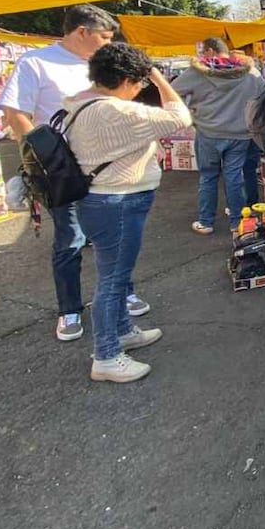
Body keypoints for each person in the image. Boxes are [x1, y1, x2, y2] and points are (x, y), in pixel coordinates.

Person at [0, 4, 151, 343]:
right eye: (104, 37)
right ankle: (69, 309)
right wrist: (42, 158)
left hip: (107, 168)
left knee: (115, 236)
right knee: (70, 239)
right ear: (82, 31)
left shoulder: (103, 63)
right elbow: (16, 112)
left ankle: (123, 293)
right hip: (63, 170)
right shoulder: (35, 62)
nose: (109, 43)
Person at [64, 43, 192, 382]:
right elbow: (180, 117)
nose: (140, 90)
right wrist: (159, 78)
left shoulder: (81, 102)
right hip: (116, 201)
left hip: (103, 200)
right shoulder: (114, 110)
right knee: (113, 279)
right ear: (125, 80)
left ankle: (121, 331)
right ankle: (106, 356)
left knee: (115, 273)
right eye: (139, 83)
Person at [171, 37, 264, 234]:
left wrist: (192, 107)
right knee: (234, 176)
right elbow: (264, 95)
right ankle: (237, 222)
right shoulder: (250, 72)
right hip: (241, 134)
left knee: (208, 177)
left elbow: (171, 91)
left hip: (209, 132)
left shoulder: (198, 72)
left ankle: (206, 222)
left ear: (209, 51)